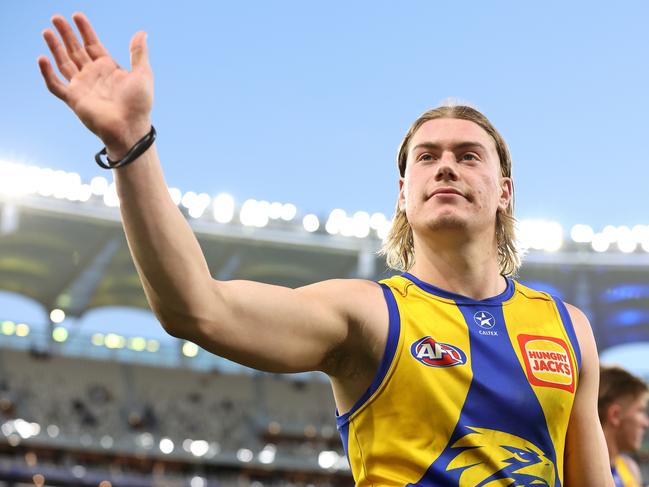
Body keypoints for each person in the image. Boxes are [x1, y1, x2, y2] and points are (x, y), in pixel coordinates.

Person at [37, 12, 614, 486]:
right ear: (404, 194)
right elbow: (197, 307)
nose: (445, 167)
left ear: (504, 192)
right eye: (426, 156)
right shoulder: (367, 314)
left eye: (468, 156)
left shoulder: (568, 329)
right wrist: (131, 146)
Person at [599, 365, 649, 487]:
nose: (646, 423)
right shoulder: (579, 470)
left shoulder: (629, 468)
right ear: (615, 415)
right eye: (640, 410)